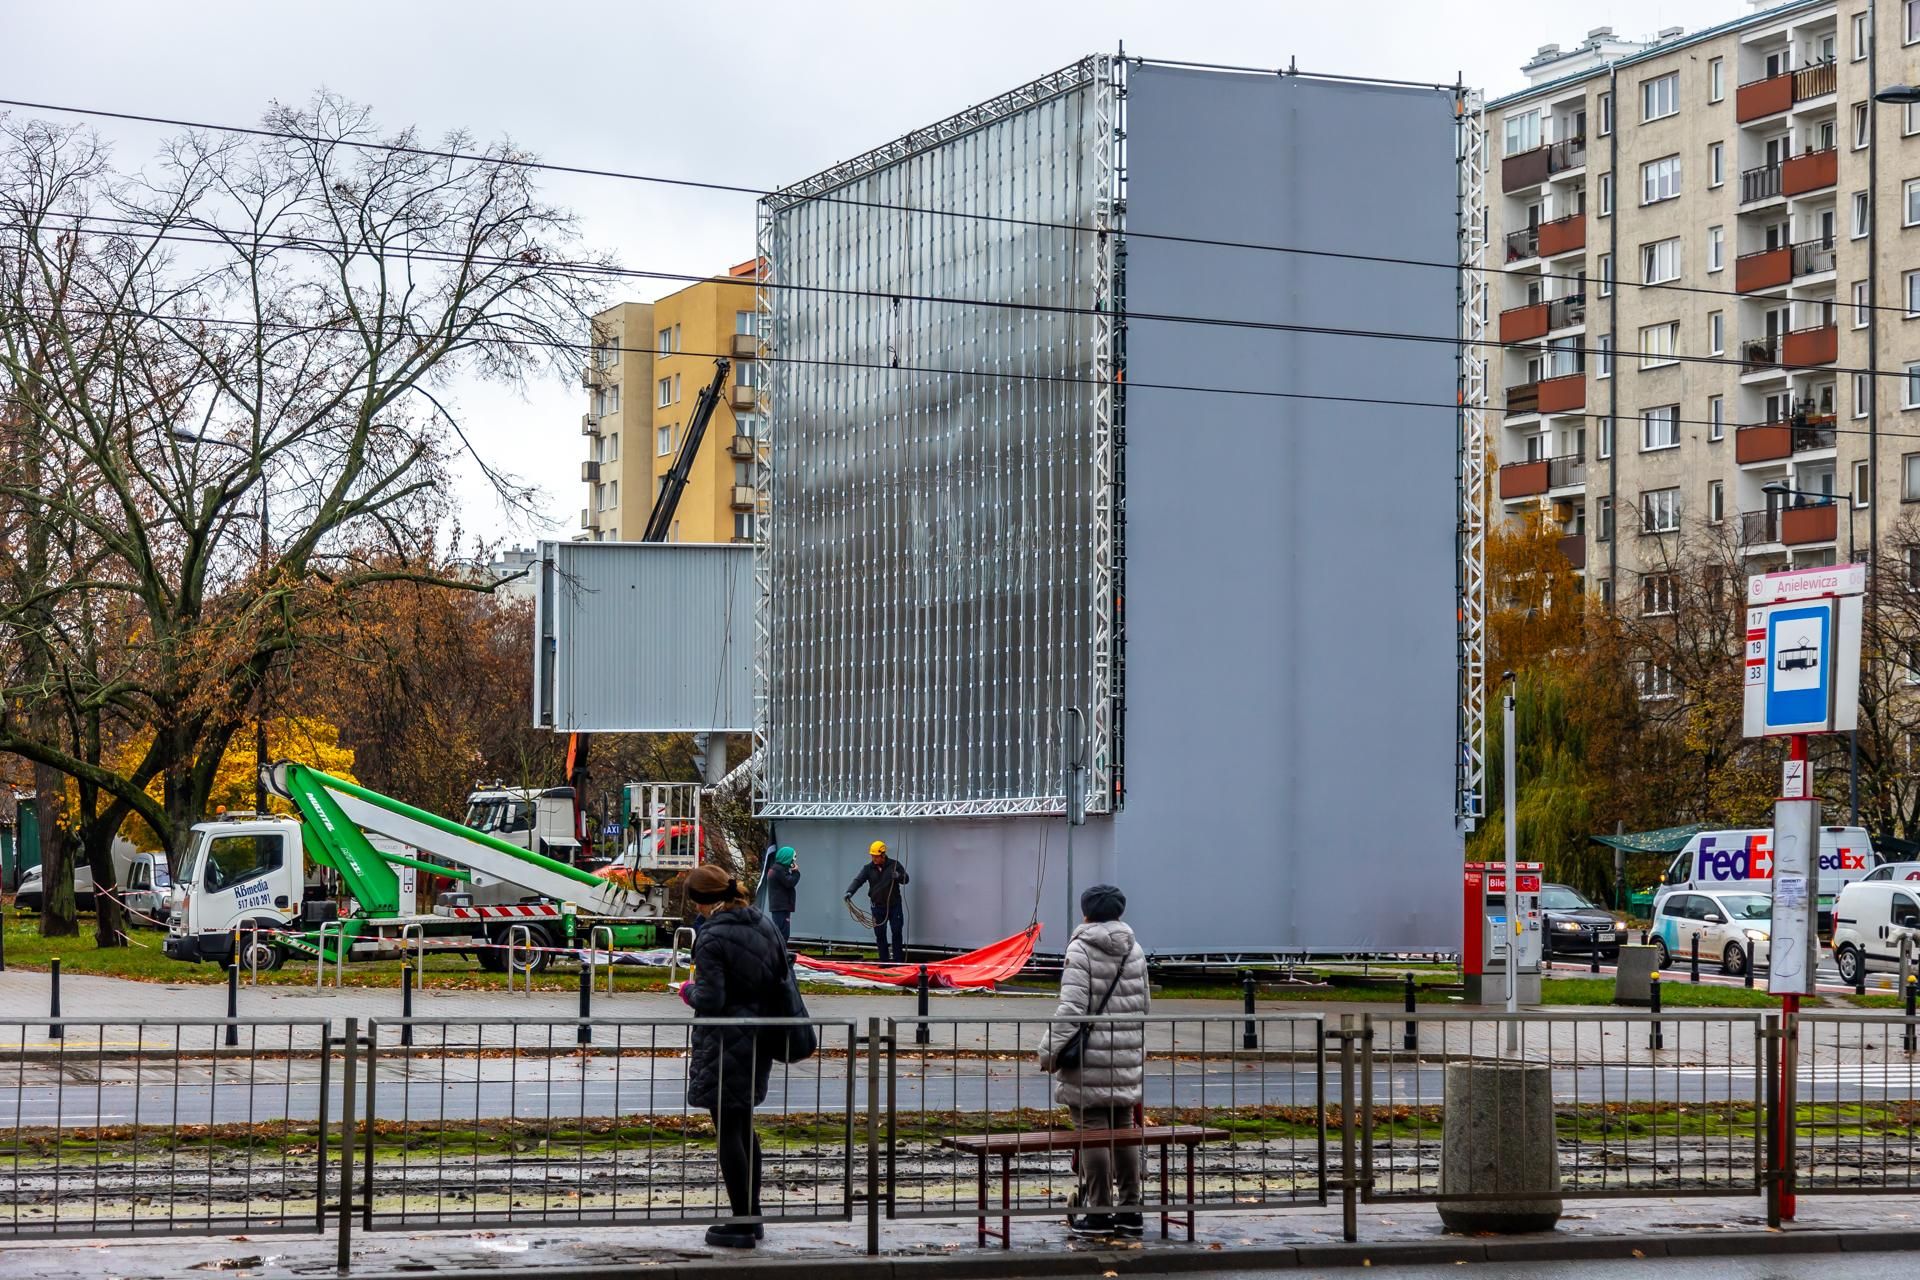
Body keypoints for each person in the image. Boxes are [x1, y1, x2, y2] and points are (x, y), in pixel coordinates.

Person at [680, 863, 787, 1249]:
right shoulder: (762, 923)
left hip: (724, 1041)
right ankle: (751, 1216)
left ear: (701, 901)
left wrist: (686, 990)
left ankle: (742, 1224)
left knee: (729, 1131)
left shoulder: (711, 937)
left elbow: (711, 998)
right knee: (744, 1127)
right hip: (760, 1037)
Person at [1038, 883, 1149, 1237]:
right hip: (1126, 1055)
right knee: (1124, 1131)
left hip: (1090, 1060)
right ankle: (1131, 1209)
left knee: (1093, 1132)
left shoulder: (1081, 949)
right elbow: (1144, 1005)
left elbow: (1072, 1009)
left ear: (1086, 912)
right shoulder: (1136, 950)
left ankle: (1099, 1213)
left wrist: (1048, 1051)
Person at [844, 840, 909, 962]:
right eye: (872, 856)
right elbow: (858, 880)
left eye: (876, 856)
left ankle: (897, 961)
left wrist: (899, 876)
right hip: (877, 907)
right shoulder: (868, 868)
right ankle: (884, 960)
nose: (874, 858)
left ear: (883, 855)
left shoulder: (895, 865)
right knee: (880, 933)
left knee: (896, 931)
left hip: (894, 906)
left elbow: (906, 879)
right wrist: (850, 892)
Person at [764, 846, 800, 941]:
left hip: (779, 906)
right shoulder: (779, 870)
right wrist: (795, 872)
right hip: (781, 907)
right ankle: (778, 953)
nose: (793, 861)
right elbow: (790, 882)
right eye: (793, 857)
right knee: (782, 934)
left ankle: (778, 952)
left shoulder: (777, 869)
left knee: (781, 932)